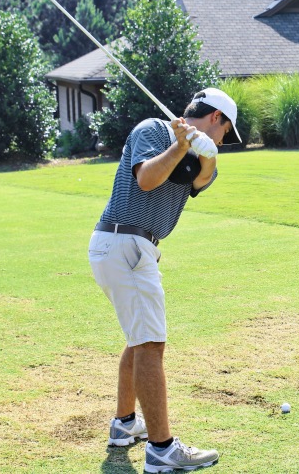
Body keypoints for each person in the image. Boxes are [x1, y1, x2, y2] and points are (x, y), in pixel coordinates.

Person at [88, 88, 242, 472]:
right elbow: (146, 180)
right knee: (151, 345)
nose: (223, 139)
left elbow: (203, 180)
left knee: (138, 341)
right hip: (125, 241)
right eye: (225, 132)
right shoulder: (154, 130)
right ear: (216, 117)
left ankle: (124, 426)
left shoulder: (204, 152)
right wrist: (179, 144)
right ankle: (161, 449)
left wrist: (207, 154)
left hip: (132, 247)